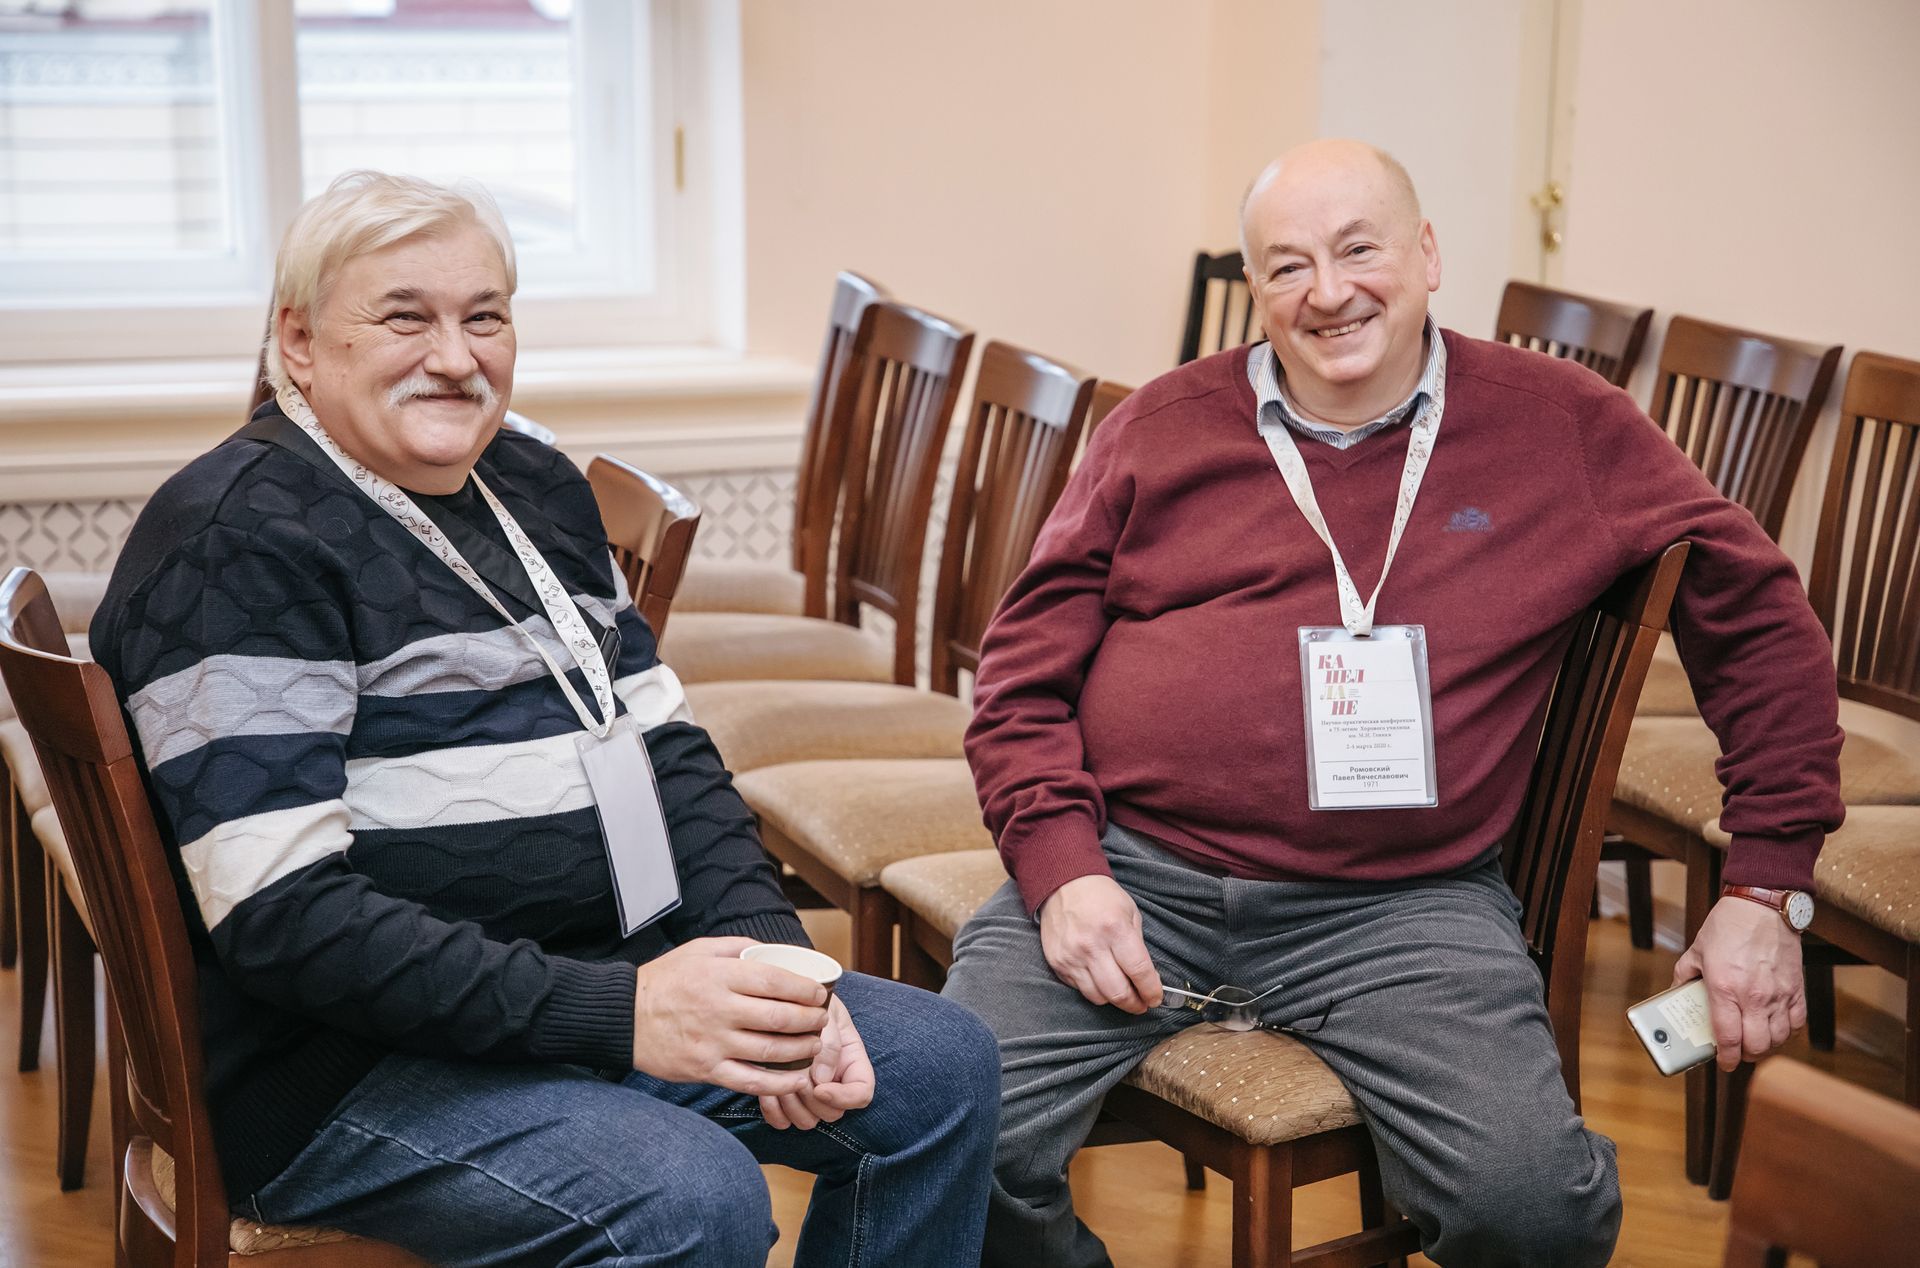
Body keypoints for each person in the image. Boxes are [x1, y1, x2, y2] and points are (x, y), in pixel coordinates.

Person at [945, 138, 1841, 1267]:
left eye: (1358, 250)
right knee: (948, 1135)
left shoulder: (1560, 424)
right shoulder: (1160, 426)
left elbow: (1757, 616)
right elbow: (1020, 676)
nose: (1327, 292)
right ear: (1255, 287)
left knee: (1533, 1208)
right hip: (1135, 876)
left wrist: (1766, 883)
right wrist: (1063, 869)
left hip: (1401, 909)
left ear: (1427, 255)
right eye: (1288, 265)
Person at [91, 170, 998, 1268]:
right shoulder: (237, 545)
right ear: (298, 342)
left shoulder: (529, 485)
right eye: (405, 318)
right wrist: (623, 1012)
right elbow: (286, 920)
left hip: (589, 981)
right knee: (689, 1194)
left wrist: (779, 973)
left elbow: (669, 756)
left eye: (485, 316)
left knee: (939, 1069)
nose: (455, 357)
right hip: (347, 1064)